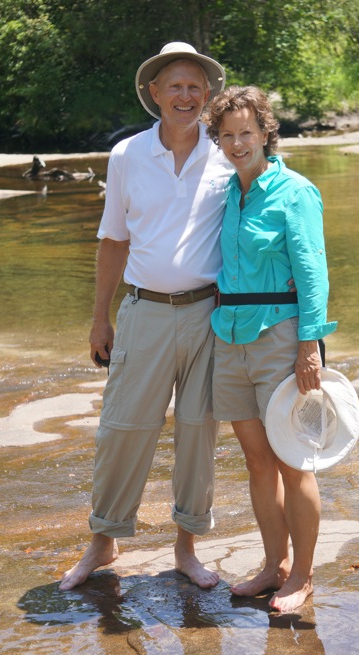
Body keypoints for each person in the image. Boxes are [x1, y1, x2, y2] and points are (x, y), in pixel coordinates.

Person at [60, 42, 233, 591]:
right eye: (175, 86)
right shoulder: (126, 154)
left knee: (198, 431)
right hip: (144, 312)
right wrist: (99, 319)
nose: (185, 95)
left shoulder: (229, 151)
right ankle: (104, 541)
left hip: (211, 314)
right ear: (154, 94)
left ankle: (187, 548)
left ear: (207, 97)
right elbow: (113, 240)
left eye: (195, 87)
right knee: (122, 428)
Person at [204, 86, 337, 612]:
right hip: (228, 337)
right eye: (227, 135)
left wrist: (310, 346)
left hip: (281, 338)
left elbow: (312, 273)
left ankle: (302, 575)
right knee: (257, 462)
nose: (238, 143)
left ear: (265, 133)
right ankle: (272, 565)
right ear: (219, 140)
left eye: (246, 132)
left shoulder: (295, 191)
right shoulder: (227, 194)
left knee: (293, 461)